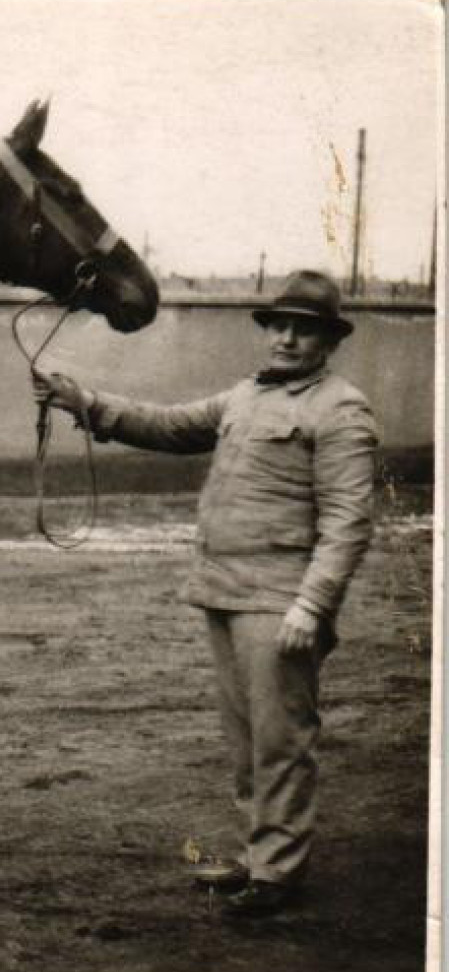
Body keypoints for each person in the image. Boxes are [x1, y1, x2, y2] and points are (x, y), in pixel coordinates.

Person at [33, 270, 378, 919]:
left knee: (281, 739)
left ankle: (277, 871)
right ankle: (258, 857)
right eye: (278, 325)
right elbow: (163, 425)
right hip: (222, 590)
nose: (284, 337)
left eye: (302, 328)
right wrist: (78, 400)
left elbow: (347, 521)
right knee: (246, 740)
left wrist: (311, 605)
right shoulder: (245, 397)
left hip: (278, 604)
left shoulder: (339, 409)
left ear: (326, 341)